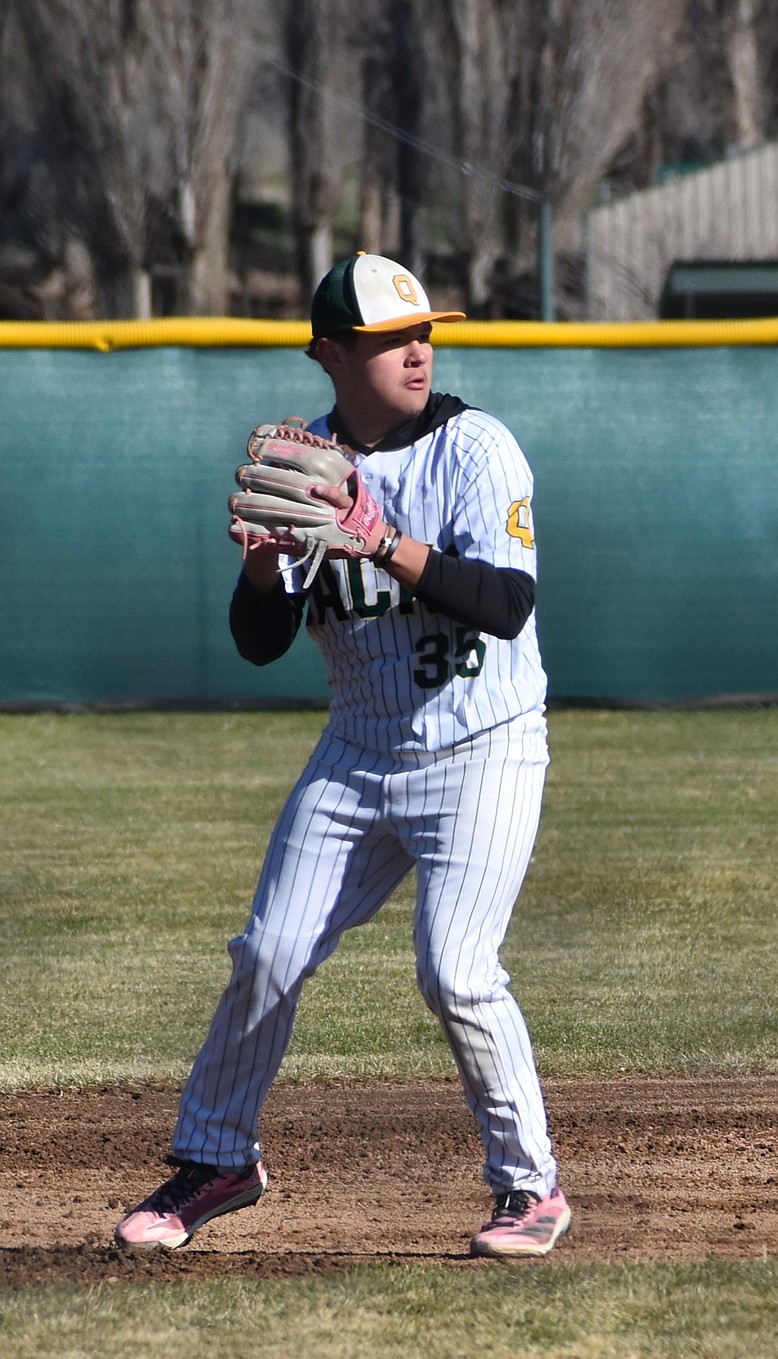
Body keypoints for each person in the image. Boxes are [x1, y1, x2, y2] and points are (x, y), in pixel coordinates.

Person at [115, 252, 571, 1260]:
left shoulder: (477, 450)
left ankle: (528, 1190)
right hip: (360, 750)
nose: (415, 352)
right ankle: (217, 1159)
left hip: (483, 744)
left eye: (423, 333)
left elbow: (504, 605)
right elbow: (259, 641)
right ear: (330, 353)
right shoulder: (301, 462)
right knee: (268, 952)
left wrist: (383, 542)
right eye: (385, 340)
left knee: (455, 968)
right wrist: (265, 571)